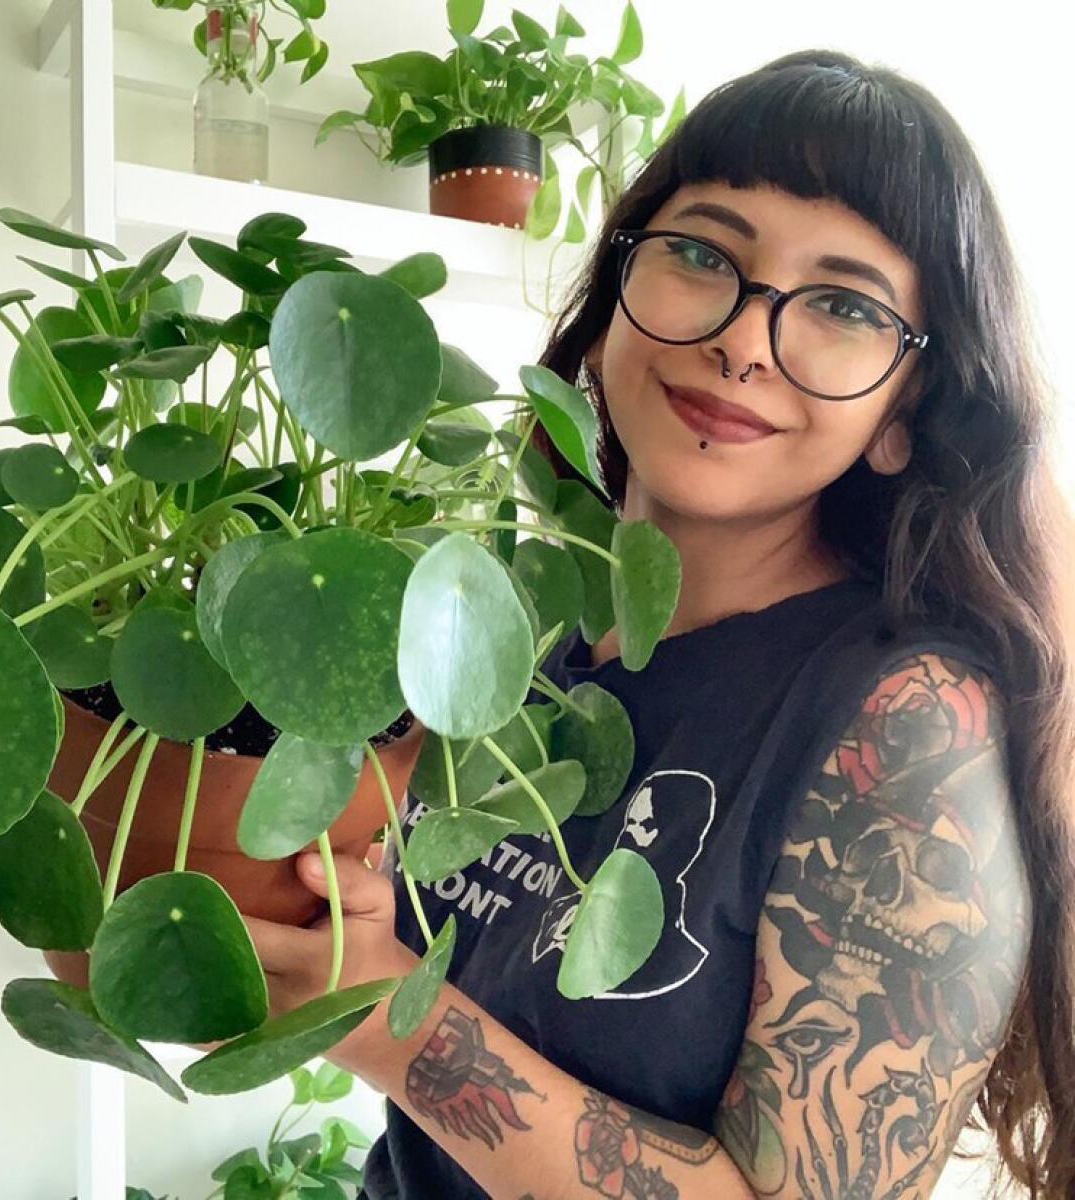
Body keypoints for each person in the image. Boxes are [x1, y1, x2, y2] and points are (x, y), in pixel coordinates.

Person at [241, 50, 1075, 1199]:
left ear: (903, 413)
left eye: (842, 303)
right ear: (613, 295)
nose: (742, 338)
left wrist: (383, 1017)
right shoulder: (505, 623)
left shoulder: (904, 728)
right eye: (702, 253)